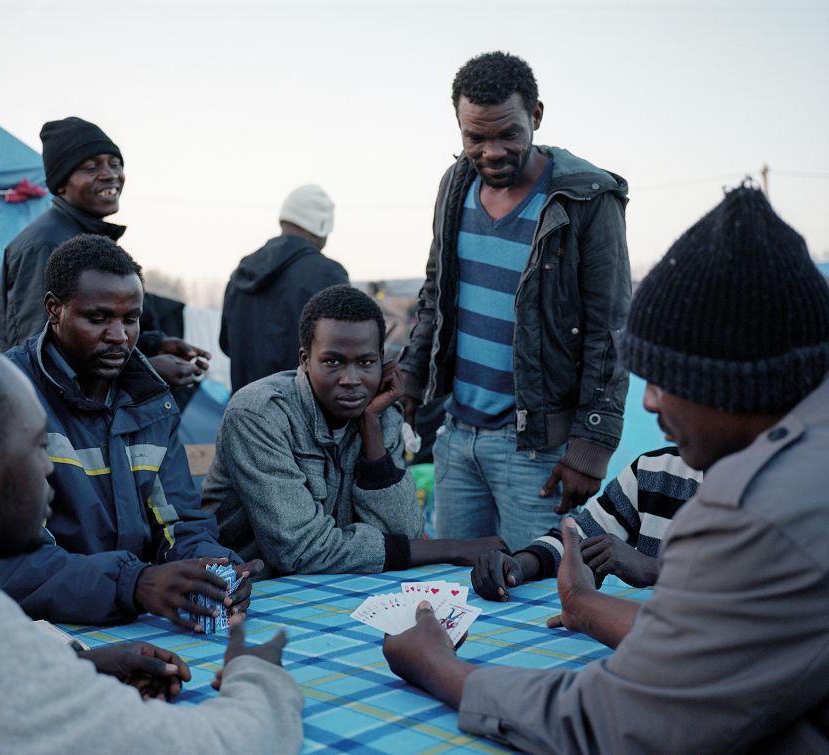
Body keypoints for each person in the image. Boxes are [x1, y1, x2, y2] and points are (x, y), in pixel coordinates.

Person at [383, 185, 829, 752]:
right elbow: (720, 649)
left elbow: (616, 723)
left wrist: (440, 669)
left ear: (728, 386)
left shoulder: (756, 508)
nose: (649, 402)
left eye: (663, 380)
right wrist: (583, 604)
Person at [0, 337, 303, 754]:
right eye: (37, 446)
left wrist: (74, 667)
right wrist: (256, 676)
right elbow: (219, 745)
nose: (50, 467)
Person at [398, 52, 631, 551]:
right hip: (457, 438)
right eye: (475, 138)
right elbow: (436, 293)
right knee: (457, 589)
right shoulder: (454, 183)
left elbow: (610, 330)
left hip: (538, 451)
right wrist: (411, 379)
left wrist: (590, 448)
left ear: (537, 117)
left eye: (508, 134)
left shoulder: (586, 198)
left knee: (538, 597)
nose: (491, 151)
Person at [0, 234, 262, 629]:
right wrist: (133, 584)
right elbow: (12, 561)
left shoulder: (151, 401)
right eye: (98, 318)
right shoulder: (8, 397)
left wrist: (212, 568)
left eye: (130, 319)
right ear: (54, 309)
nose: (119, 336)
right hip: (35, 632)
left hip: (127, 617)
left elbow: (180, 522)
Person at [202, 285, 504, 577]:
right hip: (252, 592)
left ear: (382, 361)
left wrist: (371, 428)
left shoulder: (382, 414)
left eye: (366, 362)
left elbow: (402, 533)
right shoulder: (259, 414)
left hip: (341, 584)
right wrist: (449, 548)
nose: (351, 379)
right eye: (332, 362)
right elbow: (299, 549)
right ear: (305, 360)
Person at [0, 115, 207, 389]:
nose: (110, 174)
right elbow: (36, 351)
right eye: (91, 167)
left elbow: (91, 330)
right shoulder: (46, 245)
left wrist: (154, 345)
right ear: (61, 184)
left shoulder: (86, 237)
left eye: (115, 164)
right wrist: (146, 371)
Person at [472, 446, 702, 599]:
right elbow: (580, 535)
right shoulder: (655, 469)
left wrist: (655, 570)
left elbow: (736, 588)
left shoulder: (738, 492)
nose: (650, 403)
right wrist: (522, 562)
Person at [220, 184, 349, 392]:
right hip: (302, 417)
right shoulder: (328, 274)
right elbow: (344, 354)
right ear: (322, 227)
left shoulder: (242, 272)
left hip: (244, 417)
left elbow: (227, 345)